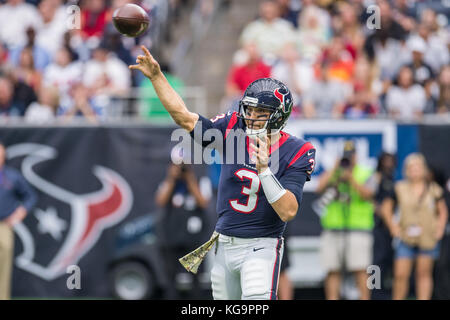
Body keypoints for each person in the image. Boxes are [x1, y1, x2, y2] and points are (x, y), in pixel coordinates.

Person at [130, 46, 316, 300]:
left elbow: (288, 211)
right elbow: (184, 118)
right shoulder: (232, 128)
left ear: (278, 116)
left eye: (260, 112)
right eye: (249, 110)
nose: (251, 117)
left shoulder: (296, 150)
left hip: (261, 247)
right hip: (223, 244)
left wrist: (264, 171)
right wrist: (156, 78)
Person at [381, 153, 448, 300]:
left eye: (418, 167)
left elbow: (442, 211)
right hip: (405, 237)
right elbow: (386, 209)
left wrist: (439, 229)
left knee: (424, 274)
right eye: (412, 167)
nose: (415, 171)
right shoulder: (399, 188)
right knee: (400, 275)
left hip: (427, 237)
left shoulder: (434, 189)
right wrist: (393, 227)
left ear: (424, 169)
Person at [316, 140, 375, 300]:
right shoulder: (334, 172)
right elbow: (318, 188)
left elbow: (368, 194)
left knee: (361, 270)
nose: (349, 159)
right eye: (346, 156)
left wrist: (351, 179)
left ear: (357, 156)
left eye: (351, 155)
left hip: (358, 229)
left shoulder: (365, 172)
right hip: (333, 228)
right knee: (332, 270)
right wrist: (334, 169)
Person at [155, 147, 210, 299]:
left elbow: (203, 202)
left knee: (196, 279)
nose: (182, 168)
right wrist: (171, 178)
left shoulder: (199, 180)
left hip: (193, 239)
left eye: (184, 164)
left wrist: (190, 179)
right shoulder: (167, 182)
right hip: (171, 238)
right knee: (171, 278)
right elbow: (160, 201)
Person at [0, 142, 37, 300]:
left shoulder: (11, 176)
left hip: (3, 225)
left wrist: (19, 214)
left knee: (3, 265)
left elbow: (30, 196)